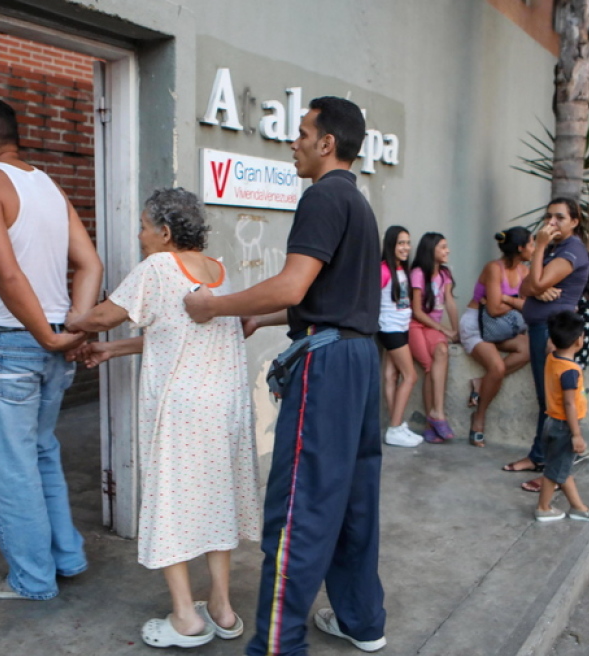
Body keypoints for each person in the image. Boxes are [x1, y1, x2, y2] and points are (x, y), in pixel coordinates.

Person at [184, 96, 387, 655]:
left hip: (327, 370)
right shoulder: (357, 203)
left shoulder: (322, 196)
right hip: (360, 361)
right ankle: (362, 620)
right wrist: (258, 314)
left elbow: (294, 286)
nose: (292, 143)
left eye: (300, 134)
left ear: (327, 143)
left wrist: (215, 306)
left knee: (298, 509)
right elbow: (327, 297)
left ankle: (277, 645)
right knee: (351, 502)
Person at [66, 189, 260, 648]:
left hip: (182, 412)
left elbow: (103, 316)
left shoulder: (156, 268)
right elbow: (172, 332)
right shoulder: (217, 271)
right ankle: (222, 608)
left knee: (171, 503)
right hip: (224, 410)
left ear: (166, 233)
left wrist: (70, 322)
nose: (138, 235)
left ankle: (185, 618)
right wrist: (112, 350)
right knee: (217, 503)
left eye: (143, 226)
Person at [0, 96, 103, 600]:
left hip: (9, 349)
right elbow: (91, 265)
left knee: (8, 471)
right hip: (50, 349)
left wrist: (50, 334)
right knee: (40, 455)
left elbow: (5, 272)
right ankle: (67, 558)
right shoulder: (49, 187)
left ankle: (32, 580)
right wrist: (73, 327)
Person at [503, 198, 589, 494]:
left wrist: (538, 248)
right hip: (541, 329)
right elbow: (525, 288)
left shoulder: (571, 250)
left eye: (560, 218)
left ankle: (551, 471)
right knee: (547, 401)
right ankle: (539, 457)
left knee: (554, 405)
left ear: (575, 221)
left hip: (554, 336)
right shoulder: (555, 248)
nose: (551, 223)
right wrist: (536, 284)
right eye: (549, 217)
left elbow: (536, 285)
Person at [460, 228, 533, 447]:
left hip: (501, 328)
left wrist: (507, 301)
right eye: (531, 244)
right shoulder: (494, 268)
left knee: (529, 348)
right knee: (497, 368)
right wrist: (515, 303)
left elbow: (529, 306)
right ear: (520, 248)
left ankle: (481, 383)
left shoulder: (525, 271)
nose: (534, 249)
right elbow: (492, 308)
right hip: (476, 326)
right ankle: (479, 418)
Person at [533, 311, 589, 524]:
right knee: (554, 471)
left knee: (561, 467)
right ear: (578, 341)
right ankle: (543, 508)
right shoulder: (570, 371)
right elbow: (569, 404)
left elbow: (551, 344)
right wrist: (576, 434)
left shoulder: (551, 358)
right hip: (564, 426)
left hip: (550, 422)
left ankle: (578, 507)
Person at [409, 232, 459, 442]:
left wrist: (456, 330)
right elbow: (418, 312)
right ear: (431, 250)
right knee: (429, 366)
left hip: (431, 328)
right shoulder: (419, 273)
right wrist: (444, 330)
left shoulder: (445, 274)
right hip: (415, 325)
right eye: (443, 247)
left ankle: (437, 413)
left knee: (442, 350)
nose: (447, 251)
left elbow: (449, 302)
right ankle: (433, 420)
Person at [378, 225, 424, 447]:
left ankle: (396, 424)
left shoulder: (401, 269)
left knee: (391, 376)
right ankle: (395, 428)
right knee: (410, 376)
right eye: (401, 243)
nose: (406, 247)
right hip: (390, 329)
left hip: (400, 327)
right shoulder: (383, 269)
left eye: (407, 242)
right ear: (391, 245)